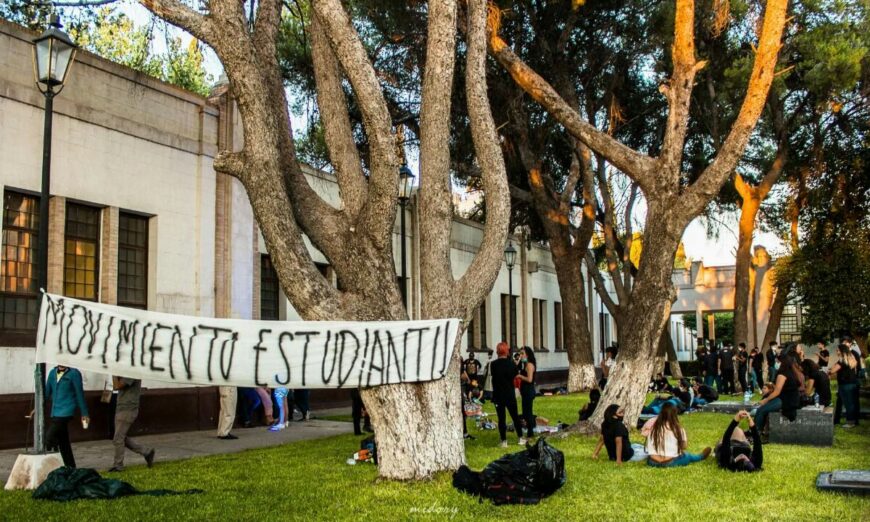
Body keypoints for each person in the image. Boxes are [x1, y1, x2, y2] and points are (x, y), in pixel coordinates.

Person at [45, 365, 89, 468]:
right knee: (63, 443)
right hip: (55, 412)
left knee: (48, 439)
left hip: (66, 411)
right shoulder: (52, 373)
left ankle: (50, 467)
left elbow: (79, 394)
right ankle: (71, 467)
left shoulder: (74, 373)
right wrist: (37, 408)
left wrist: (84, 413)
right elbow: (47, 393)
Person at [108, 377, 155, 472]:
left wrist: (113, 373)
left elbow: (116, 386)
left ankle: (118, 465)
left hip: (128, 408)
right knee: (120, 437)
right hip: (122, 407)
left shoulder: (130, 374)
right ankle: (146, 452)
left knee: (118, 438)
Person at [643, 403, 711, 468]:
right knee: (687, 455)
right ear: (675, 414)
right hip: (670, 462)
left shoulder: (653, 427)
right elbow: (684, 446)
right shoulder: (678, 429)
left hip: (652, 462)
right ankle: (700, 457)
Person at [753, 353, 803, 435]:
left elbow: (777, 391)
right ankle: (758, 430)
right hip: (792, 399)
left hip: (786, 400)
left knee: (761, 410)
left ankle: (755, 433)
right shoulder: (792, 372)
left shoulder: (782, 374)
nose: (776, 363)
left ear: (782, 362)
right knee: (764, 409)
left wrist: (766, 400)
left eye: (778, 361)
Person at [490, 342, 524, 447]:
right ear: (507, 351)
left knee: (501, 419)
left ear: (498, 351)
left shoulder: (493, 364)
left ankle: (504, 441)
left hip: (498, 394)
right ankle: (520, 438)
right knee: (515, 416)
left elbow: (494, 378)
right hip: (509, 394)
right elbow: (515, 376)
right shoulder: (511, 364)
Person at [829, 344, 860, 428]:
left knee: (848, 403)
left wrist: (830, 370)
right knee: (852, 403)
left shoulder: (842, 360)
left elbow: (832, 371)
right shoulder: (851, 359)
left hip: (845, 384)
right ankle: (852, 421)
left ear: (842, 351)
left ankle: (850, 422)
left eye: (838, 350)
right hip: (852, 383)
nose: (836, 351)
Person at [517, 346, 537, 442]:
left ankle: (530, 432)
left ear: (527, 354)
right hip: (525, 391)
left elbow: (529, 379)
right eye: (520, 353)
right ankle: (529, 430)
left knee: (528, 412)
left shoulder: (529, 365)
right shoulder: (524, 364)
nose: (521, 356)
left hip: (529, 390)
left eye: (522, 354)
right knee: (525, 412)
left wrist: (520, 376)